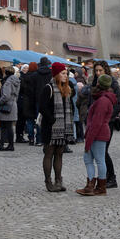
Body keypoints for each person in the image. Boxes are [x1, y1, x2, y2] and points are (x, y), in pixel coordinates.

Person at [38, 62, 76, 192]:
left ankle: (58, 180)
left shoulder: (67, 89)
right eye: (63, 73)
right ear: (56, 74)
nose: (66, 76)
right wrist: (52, 120)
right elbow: (42, 107)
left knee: (59, 154)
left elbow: (70, 106)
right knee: (49, 153)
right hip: (50, 127)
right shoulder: (48, 88)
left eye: (66, 74)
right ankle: (48, 181)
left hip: (63, 128)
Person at [76, 74, 115, 197]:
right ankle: (92, 185)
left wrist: (88, 139)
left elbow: (97, 122)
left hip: (98, 133)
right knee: (90, 159)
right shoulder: (103, 98)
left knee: (98, 160)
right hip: (98, 132)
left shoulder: (103, 100)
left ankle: (98, 186)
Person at [20, 60, 52, 145]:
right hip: (47, 99)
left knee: (34, 120)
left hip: (35, 99)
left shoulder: (34, 75)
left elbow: (30, 89)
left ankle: (31, 139)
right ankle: (39, 139)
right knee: (42, 119)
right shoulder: (51, 74)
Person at [0, 66, 20, 151]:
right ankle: (9, 145)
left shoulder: (8, 82)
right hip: (13, 104)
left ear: (6, 72)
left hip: (6, 106)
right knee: (9, 126)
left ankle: (5, 145)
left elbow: (6, 96)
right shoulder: (16, 80)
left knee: (4, 126)